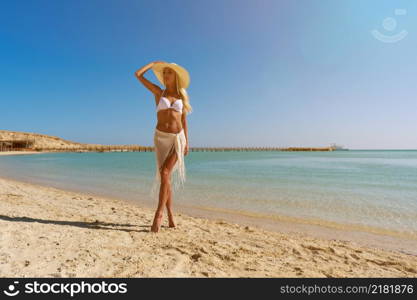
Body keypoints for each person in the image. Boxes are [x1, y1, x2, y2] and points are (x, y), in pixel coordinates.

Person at [134, 61, 192, 232]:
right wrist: (152, 64)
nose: (166, 75)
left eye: (169, 72)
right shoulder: (158, 93)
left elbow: (183, 121)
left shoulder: (182, 98)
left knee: (165, 173)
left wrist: (187, 142)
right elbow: (138, 75)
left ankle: (159, 213)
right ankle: (171, 214)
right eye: (164, 72)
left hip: (177, 139)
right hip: (161, 139)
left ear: (176, 76)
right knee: (165, 179)